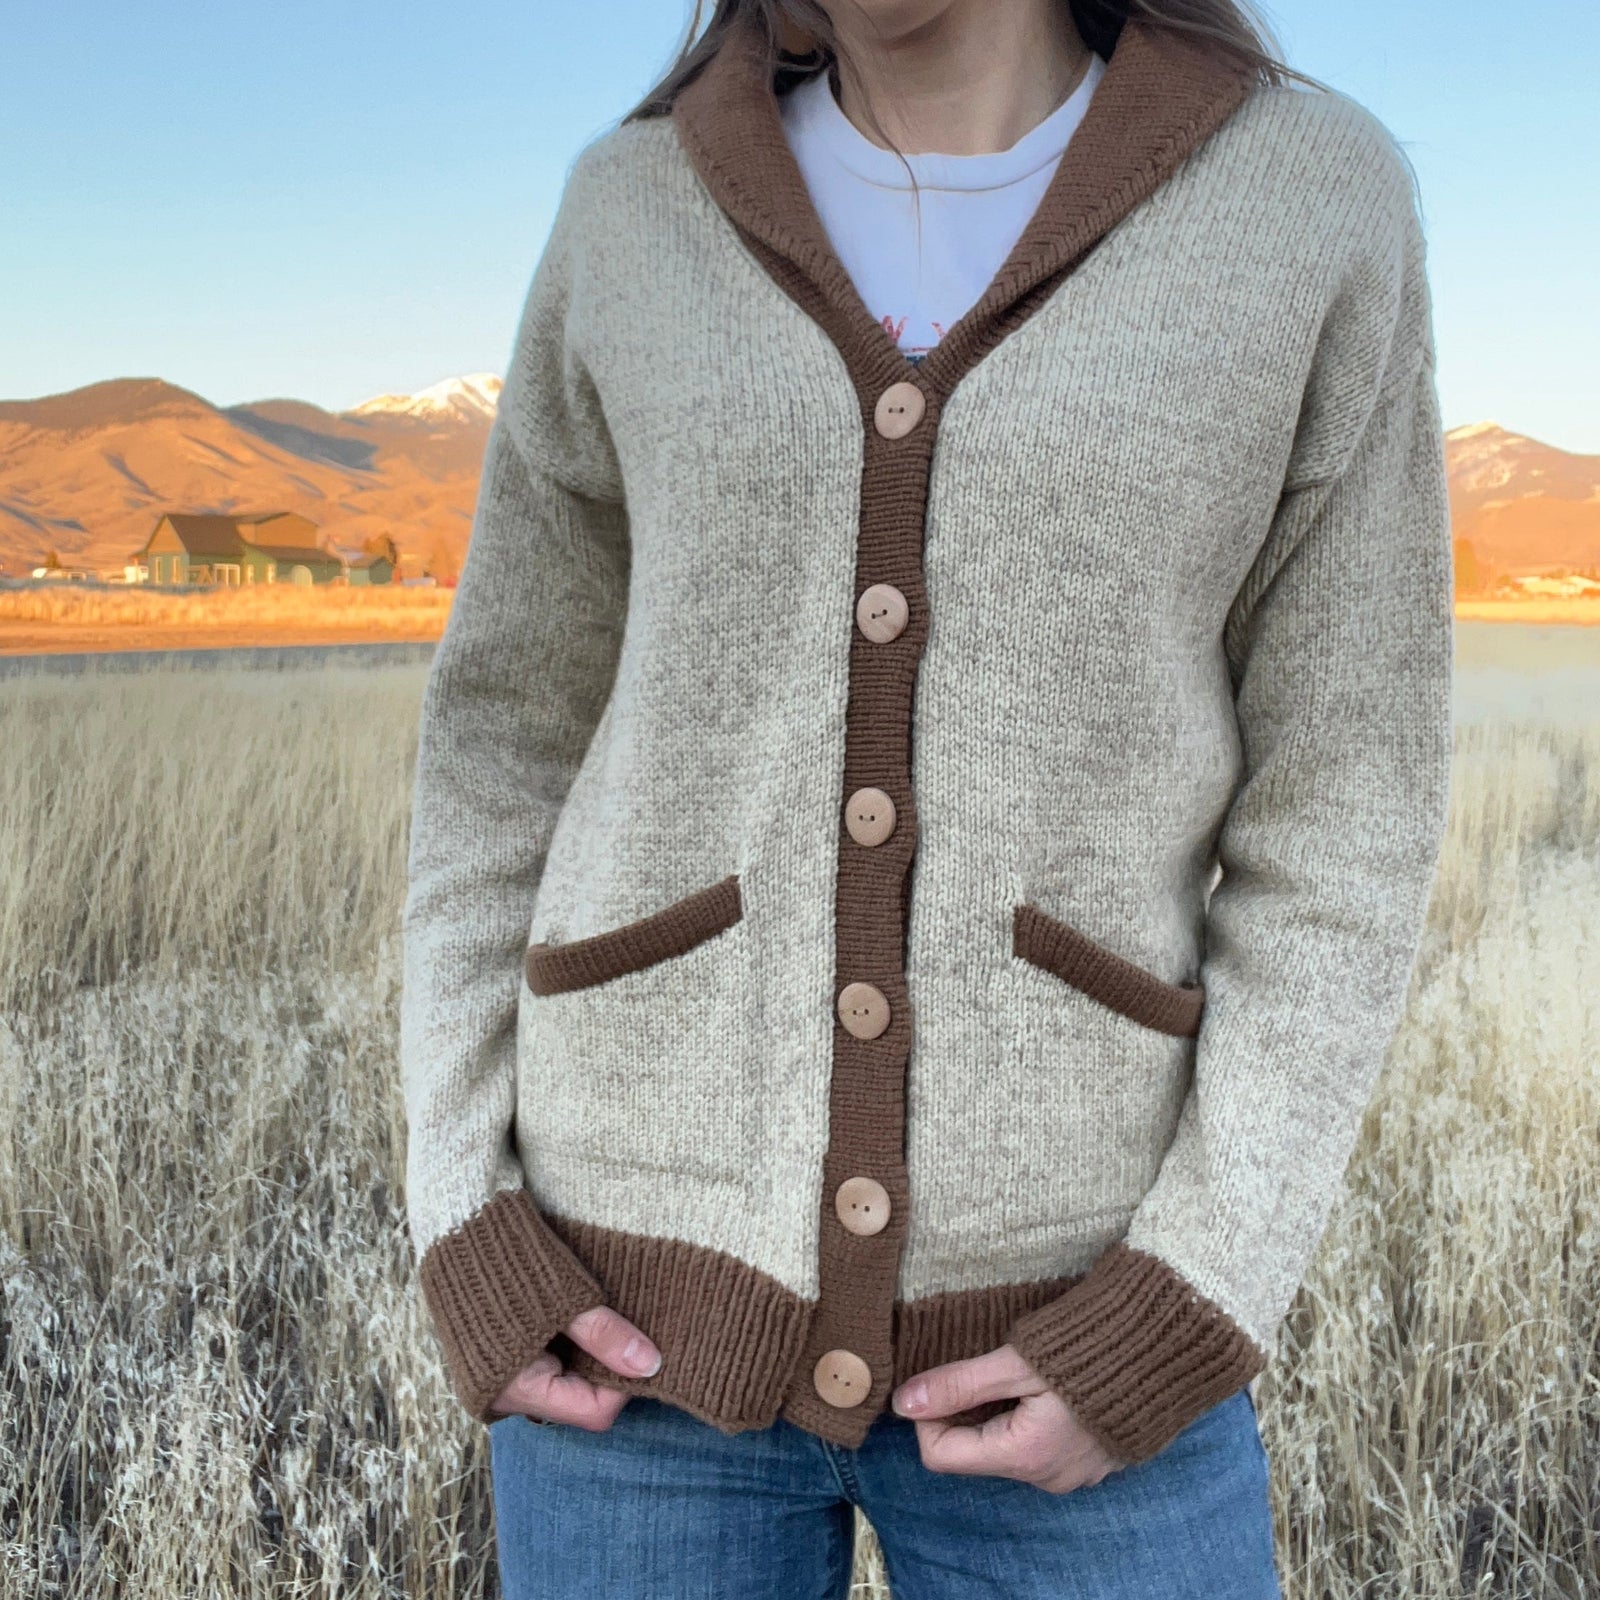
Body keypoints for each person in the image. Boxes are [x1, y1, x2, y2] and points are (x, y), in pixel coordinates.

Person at [398, 0, 1454, 1593]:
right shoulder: (634, 205)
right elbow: (503, 738)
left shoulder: (1308, 196)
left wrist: (1198, 1285)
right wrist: (459, 1204)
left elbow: (1348, 794)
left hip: (1084, 1315)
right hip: (620, 1319)